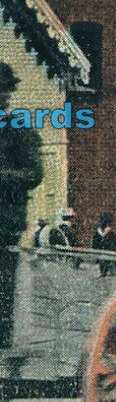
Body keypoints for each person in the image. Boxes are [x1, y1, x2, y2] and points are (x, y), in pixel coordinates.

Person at [0, 63, 41, 348]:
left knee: (3, 289)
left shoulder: (18, 128)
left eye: (4, 91)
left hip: (5, 223)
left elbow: (34, 174)